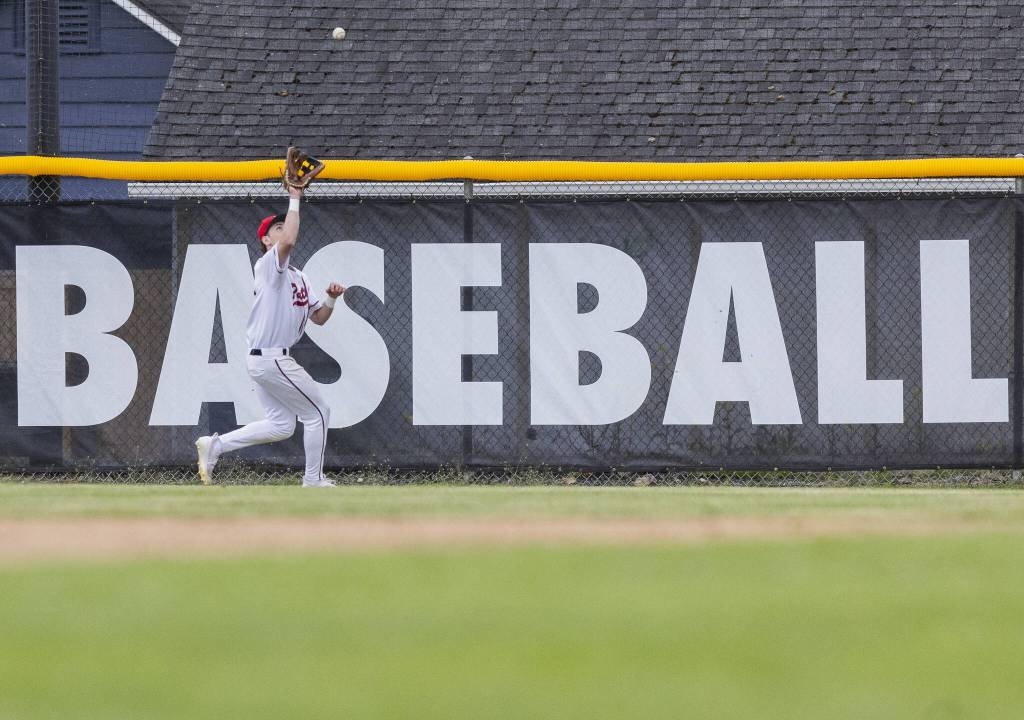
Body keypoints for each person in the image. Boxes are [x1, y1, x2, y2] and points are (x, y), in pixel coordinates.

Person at [195, 184, 345, 487]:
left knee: (282, 426)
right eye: (276, 227)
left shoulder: (298, 276)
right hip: (271, 357)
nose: (283, 229)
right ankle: (313, 480)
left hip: (268, 360)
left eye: (282, 224)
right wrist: (294, 198)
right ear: (265, 240)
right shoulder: (267, 266)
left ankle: (216, 445)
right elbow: (289, 240)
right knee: (319, 412)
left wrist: (330, 299)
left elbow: (319, 319)